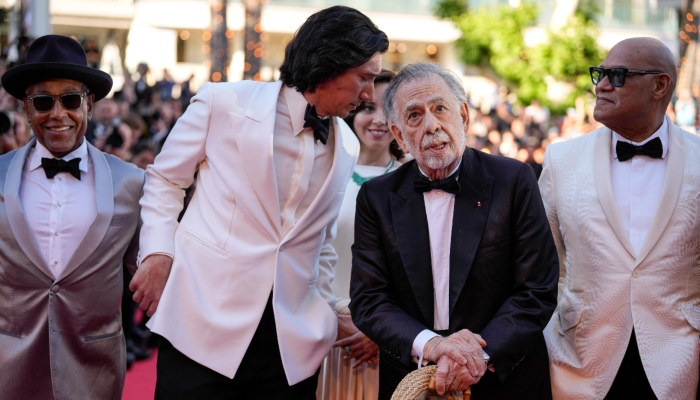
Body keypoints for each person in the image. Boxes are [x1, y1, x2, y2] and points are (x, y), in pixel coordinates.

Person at [129, 6, 388, 399]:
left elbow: (320, 246)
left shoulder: (347, 144)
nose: (369, 93)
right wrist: (157, 254)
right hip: (202, 326)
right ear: (332, 65)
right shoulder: (224, 102)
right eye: (365, 78)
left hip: (291, 349)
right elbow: (165, 180)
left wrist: (333, 312)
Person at [349, 62, 559, 400]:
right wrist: (433, 346)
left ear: (463, 115)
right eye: (414, 115)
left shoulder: (513, 180)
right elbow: (369, 299)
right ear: (400, 134)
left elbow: (537, 288)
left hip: (503, 376)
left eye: (440, 108)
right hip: (413, 381)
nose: (432, 125)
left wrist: (476, 357)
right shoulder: (376, 197)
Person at [540, 37, 700, 399]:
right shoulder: (561, 160)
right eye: (600, 73)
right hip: (577, 361)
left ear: (660, 85)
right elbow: (542, 264)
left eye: (617, 75)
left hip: (679, 364)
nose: (602, 85)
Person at [0, 34, 144, 399]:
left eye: (71, 99)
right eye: (44, 101)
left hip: (94, 367)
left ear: (90, 104)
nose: (58, 113)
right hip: (9, 366)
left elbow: (146, 272)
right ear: (27, 109)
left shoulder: (130, 182)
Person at [316, 69, 403, 400]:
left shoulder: (414, 180)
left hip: (387, 336)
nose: (379, 120)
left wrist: (381, 330)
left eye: (389, 109)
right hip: (325, 323)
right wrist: (334, 316)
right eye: (368, 108)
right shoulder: (324, 172)